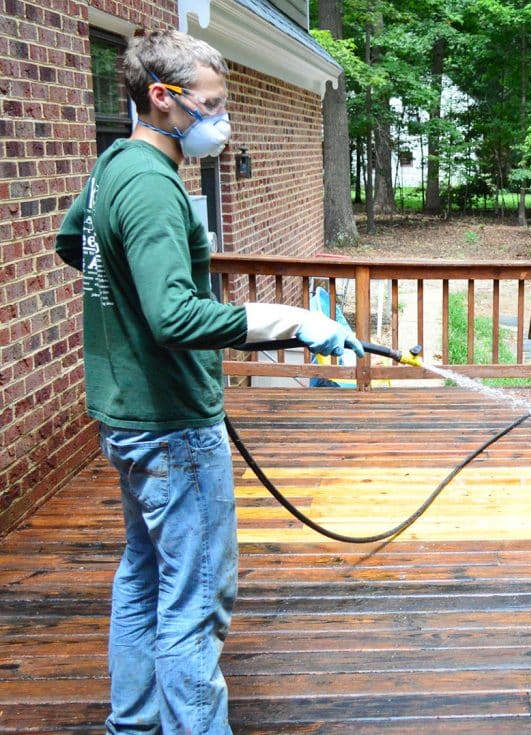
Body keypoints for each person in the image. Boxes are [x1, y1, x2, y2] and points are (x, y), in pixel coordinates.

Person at [55, 29, 362, 734]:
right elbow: (172, 315)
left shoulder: (113, 165)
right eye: (212, 104)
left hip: (128, 415)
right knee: (194, 599)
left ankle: (131, 724)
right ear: (161, 99)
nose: (221, 120)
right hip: (172, 427)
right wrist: (287, 322)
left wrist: (127, 306)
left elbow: (75, 242)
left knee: (143, 573)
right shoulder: (154, 188)